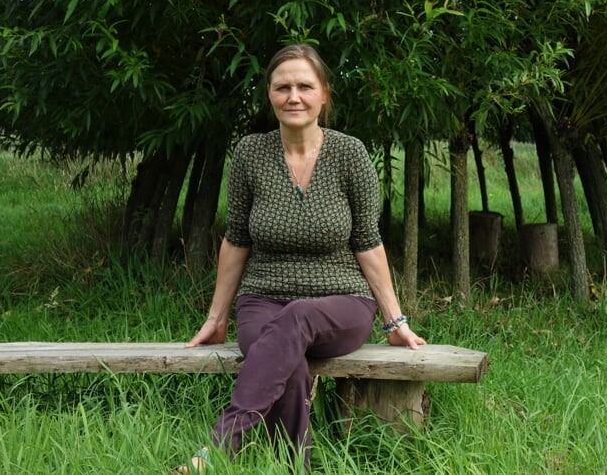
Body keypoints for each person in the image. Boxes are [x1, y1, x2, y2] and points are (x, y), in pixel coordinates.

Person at [175, 44, 425, 473]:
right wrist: (217, 318)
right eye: (282, 87)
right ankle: (296, 468)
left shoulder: (350, 154)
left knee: (298, 316)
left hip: (342, 302)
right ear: (269, 95)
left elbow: (368, 241)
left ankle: (220, 447)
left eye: (305, 86)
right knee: (285, 362)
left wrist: (395, 320)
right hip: (262, 300)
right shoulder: (251, 154)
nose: (294, 96)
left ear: (324, 94)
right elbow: (236, 240)